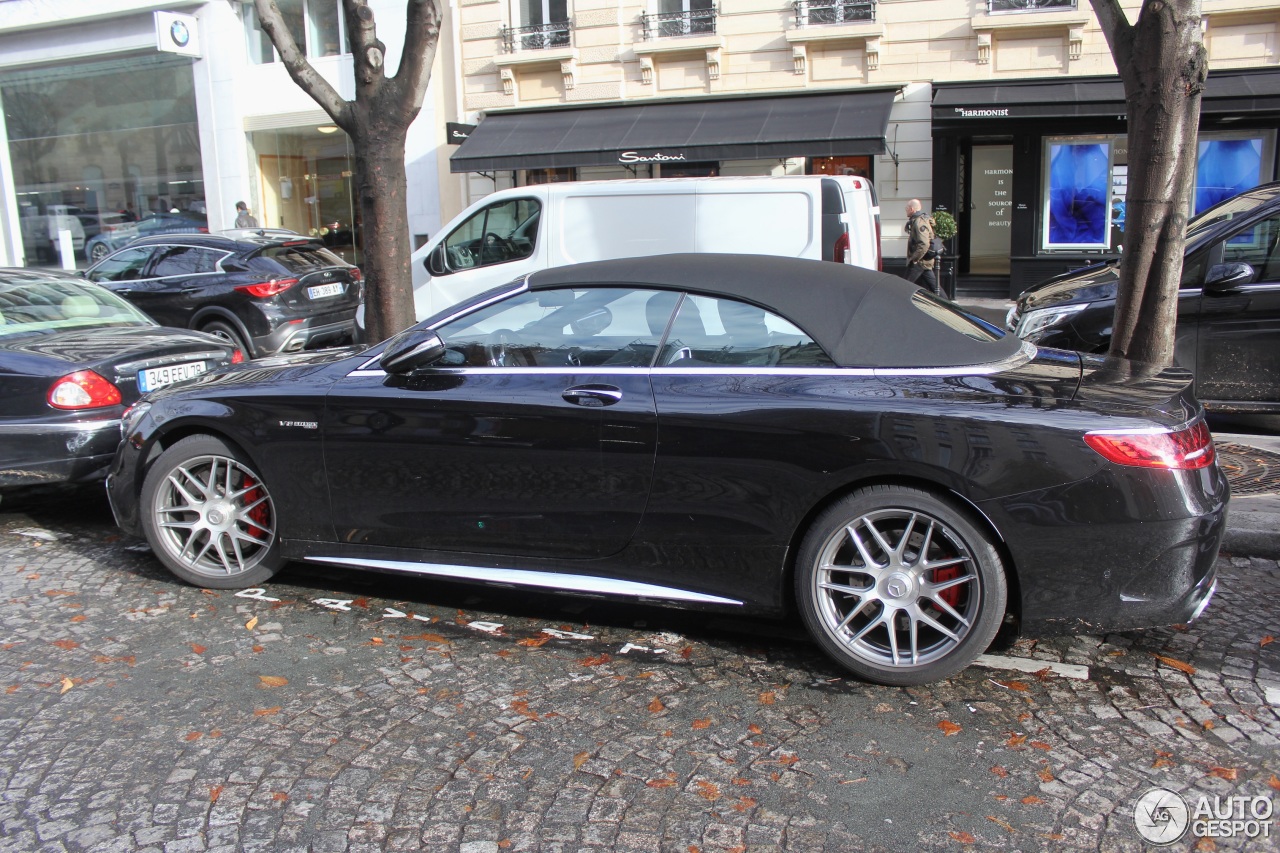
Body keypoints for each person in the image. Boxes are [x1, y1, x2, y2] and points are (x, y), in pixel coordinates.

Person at [902, 198, 940, 296]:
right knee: (934, 286)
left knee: (904, 286)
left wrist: (915, 259)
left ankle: (899, 303)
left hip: (919, 261)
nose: (905, 209)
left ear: (911, 209)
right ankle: (947, 303)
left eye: (906, 207)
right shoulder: (917, 220)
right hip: (923, 262)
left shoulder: (919, 222)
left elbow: (924, 243)